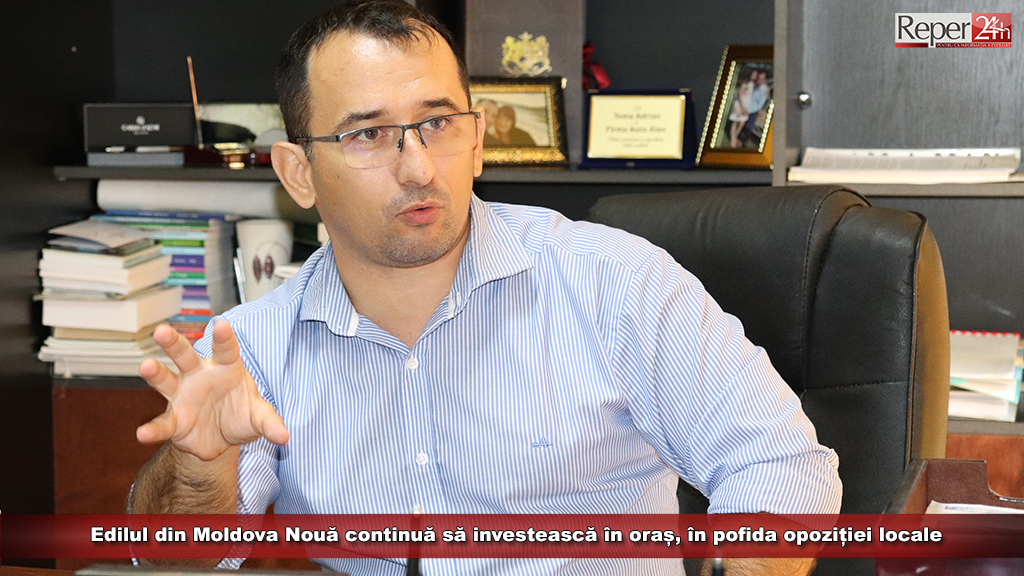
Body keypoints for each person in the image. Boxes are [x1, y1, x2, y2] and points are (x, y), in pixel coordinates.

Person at [128, 1, 841, 575]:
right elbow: (172, 558)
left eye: (437, 124)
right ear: (298, 173)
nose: (417, 168)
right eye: (368, 135)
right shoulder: (252, 349)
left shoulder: (615, 284)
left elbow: (778, 464)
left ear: (476, 141)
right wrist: (200, 465)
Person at [727, 71, 756, 148]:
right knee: (735, 121)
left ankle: (735, 137)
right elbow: (740, 95)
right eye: (753, 74)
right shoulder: (745, 83)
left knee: (742, 122)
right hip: (741, 104)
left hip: (747, 105)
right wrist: (742, 106)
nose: (754, 76)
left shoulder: (754, 85)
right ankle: (733, 140)